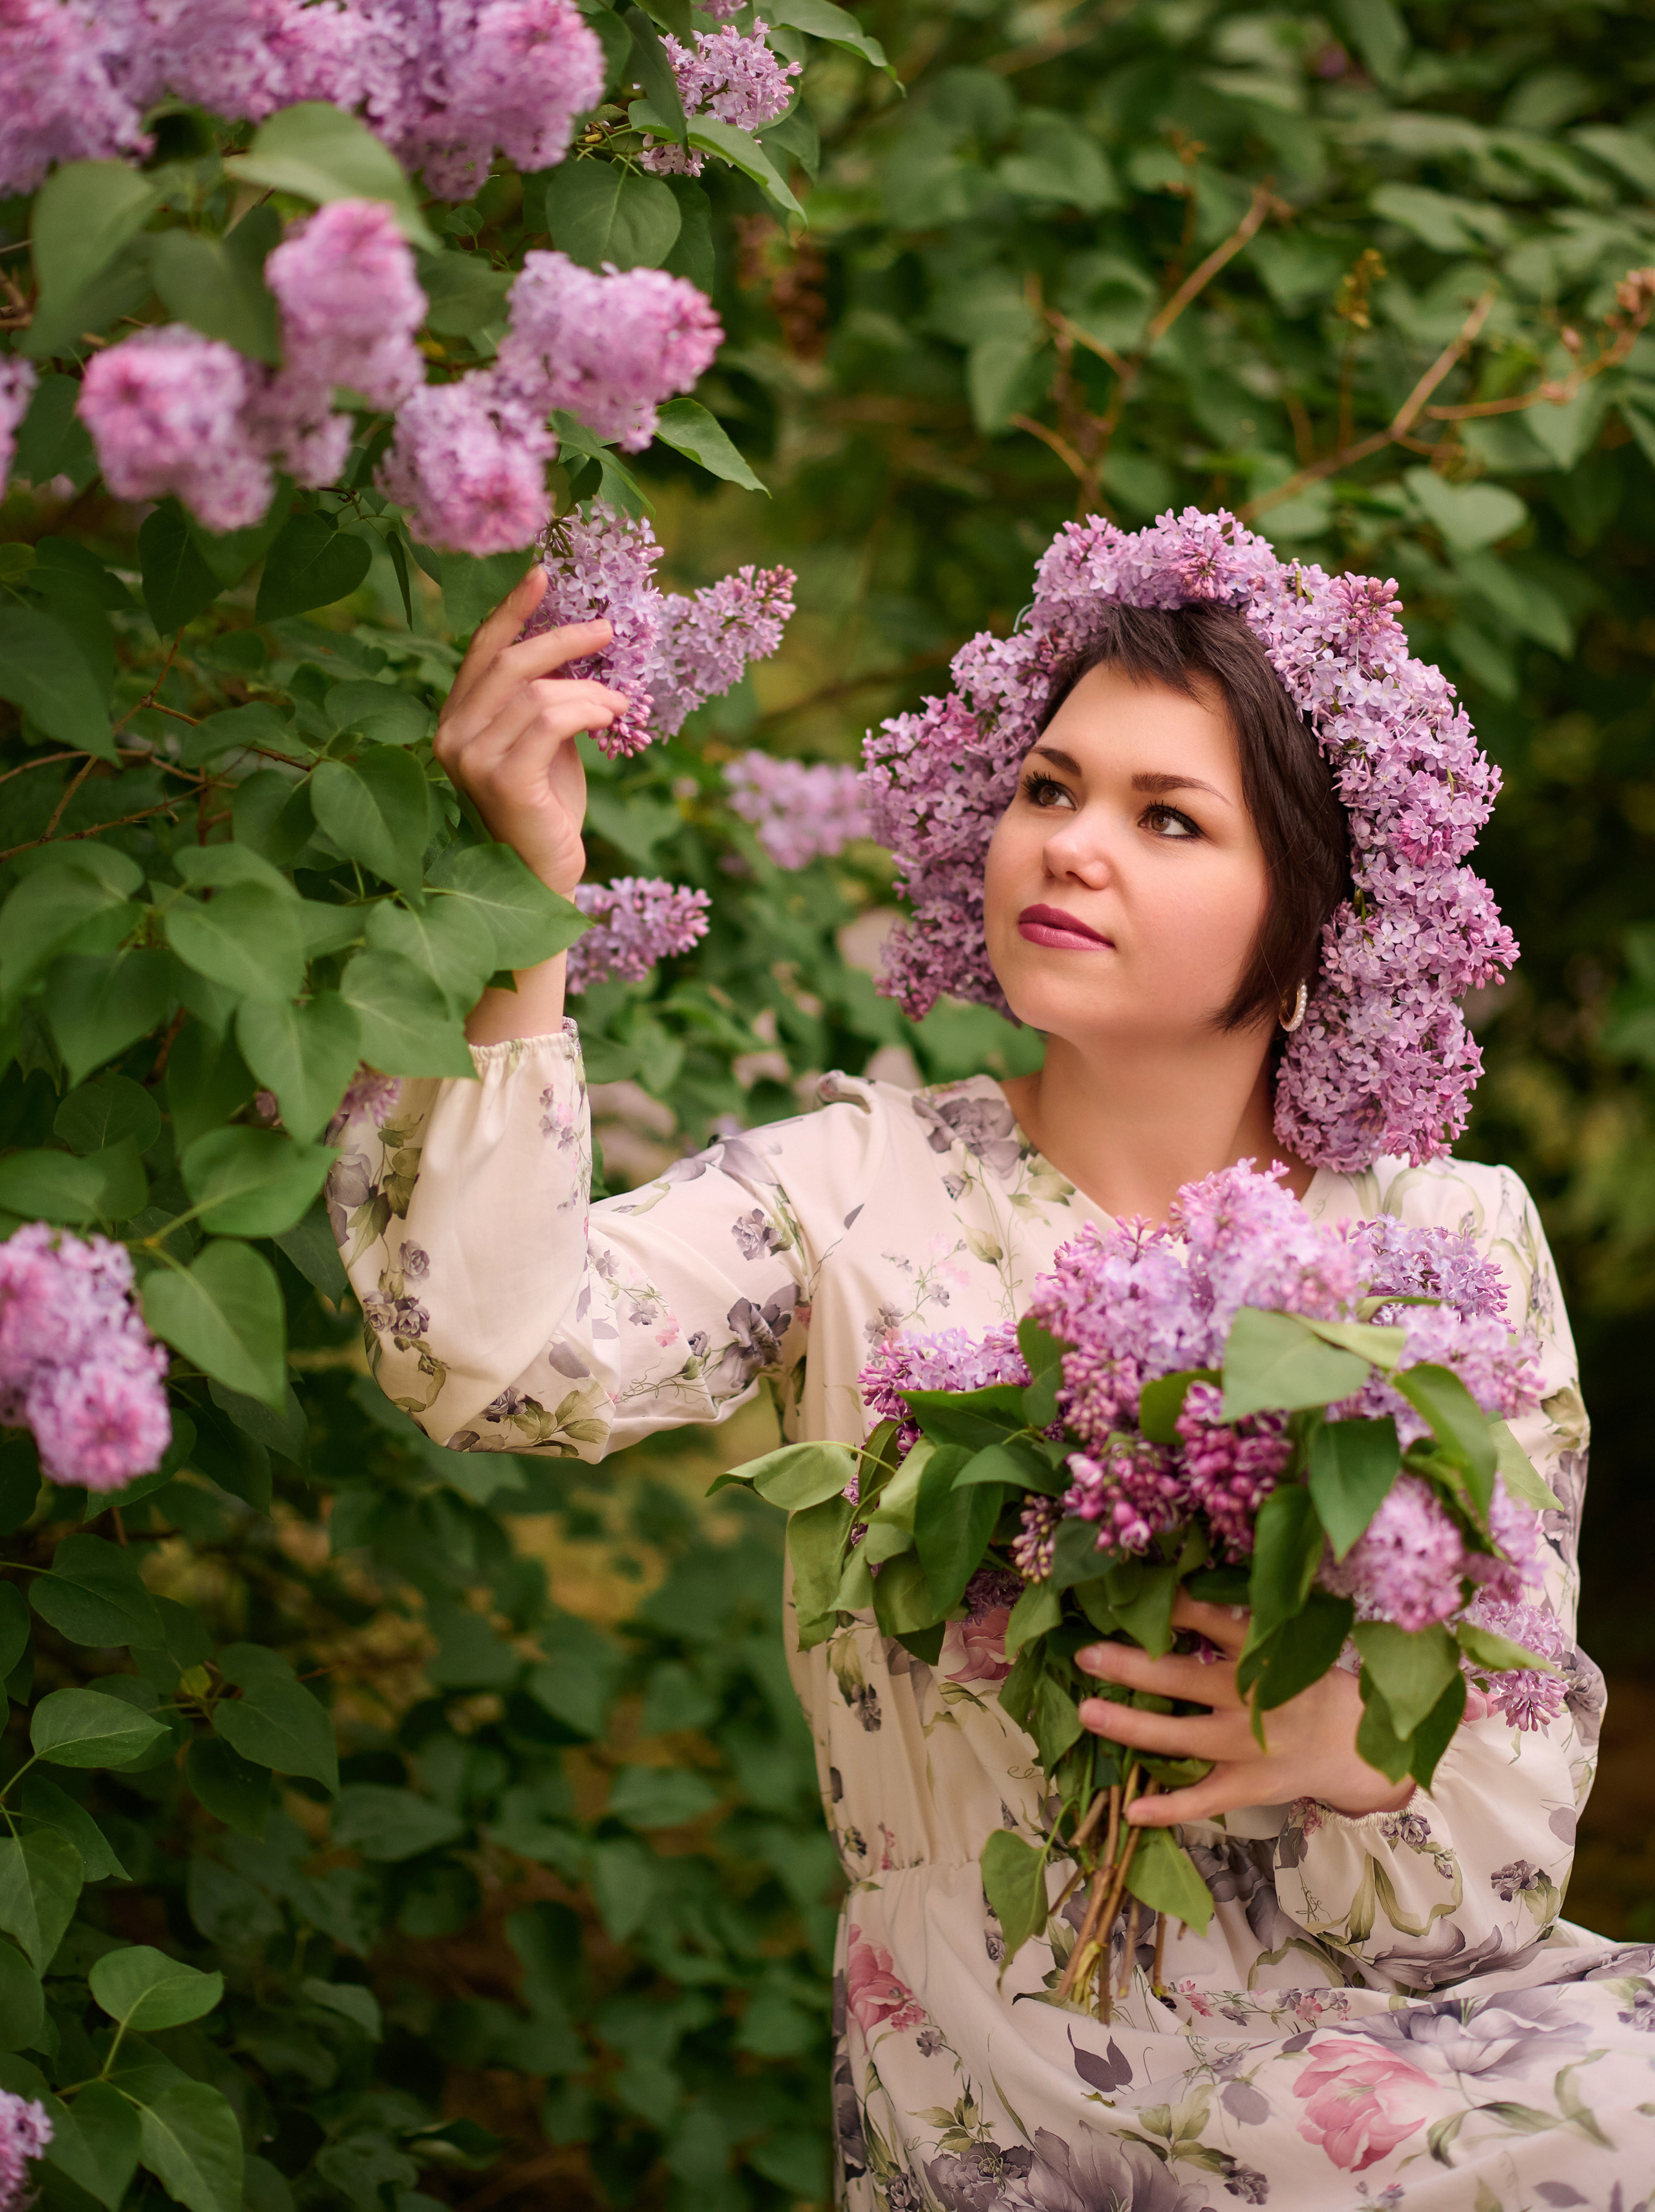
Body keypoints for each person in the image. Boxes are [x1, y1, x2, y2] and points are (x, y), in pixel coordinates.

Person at [327, 511, 1654, 2211]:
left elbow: (1504, 1869)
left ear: (1326, 911)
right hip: (1025, 2075)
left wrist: (1351, 1745)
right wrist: (527, 900)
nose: (1071, 845)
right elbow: (487, 1358)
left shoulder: (1450, 1247)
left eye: (1166, 815)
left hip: (1409, 2036)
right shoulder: (848, 1190)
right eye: (1048, 788)